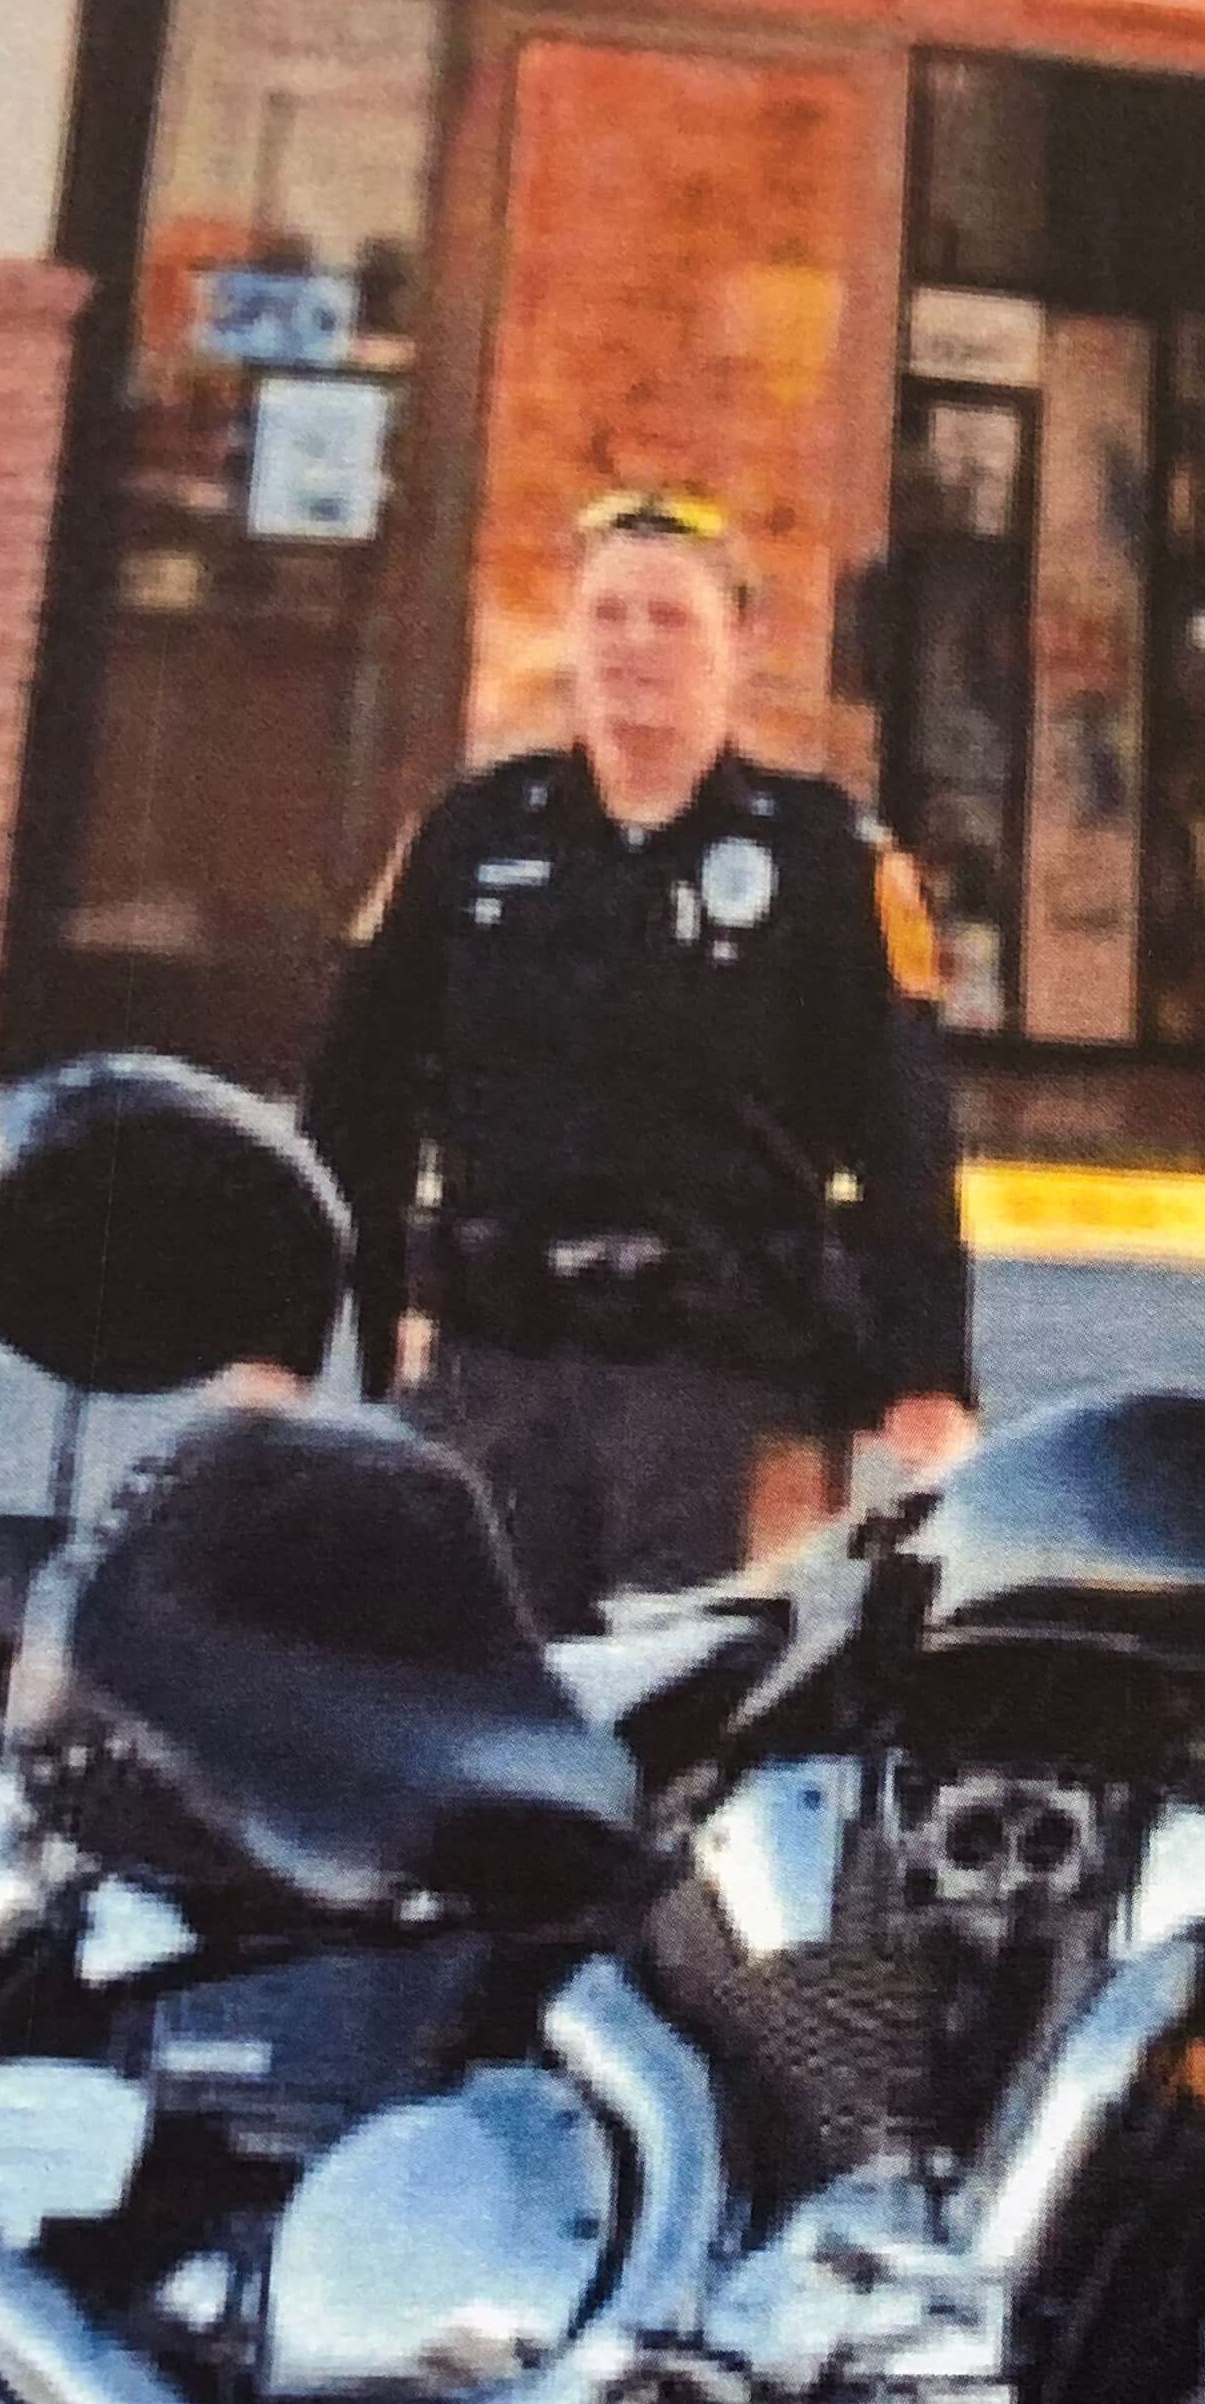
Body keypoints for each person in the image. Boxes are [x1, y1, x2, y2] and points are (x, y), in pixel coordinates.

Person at [303, 485, 977, 1630]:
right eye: (608, 614)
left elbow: (905, 1137)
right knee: (483, 1698)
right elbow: (356, 1101)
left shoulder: (823, 860)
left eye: (670, 617)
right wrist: (329, 1333)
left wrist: (925, 1379)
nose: (634, 644)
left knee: (721, 1697)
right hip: (495, 1374)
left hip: (732, 1376)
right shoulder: (473, 837)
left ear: (739, 643)